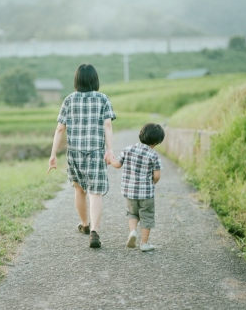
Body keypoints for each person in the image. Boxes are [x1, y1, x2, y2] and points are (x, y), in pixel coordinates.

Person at [47, 64, 116, 248]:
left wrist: (53, 154)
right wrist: (110, 149)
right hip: (96, 152)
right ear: (95, 80)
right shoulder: (103, 99)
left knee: (79, 190)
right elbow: (107, 126)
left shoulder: (69, 100)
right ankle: (94, 231)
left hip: (75, 152)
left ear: (76, 80)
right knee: (95, 192)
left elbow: (60, 128)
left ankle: (85, 225)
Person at [108, 123, 164, 252]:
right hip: (146, 194)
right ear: (156, 142)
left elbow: (117, 164)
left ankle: (133, 231)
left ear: (140, 135)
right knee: (147, 216)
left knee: (132, 213)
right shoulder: (154, 156)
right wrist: (152, 182)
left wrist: (111, 160)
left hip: (129, 192)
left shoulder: (128, 149)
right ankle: (144, 243)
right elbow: (156, 176)